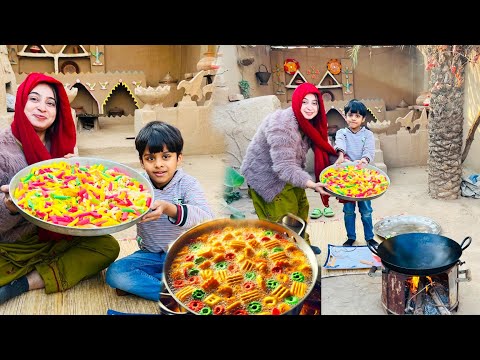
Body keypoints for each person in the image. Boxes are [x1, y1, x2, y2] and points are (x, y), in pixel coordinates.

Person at [0, 72, 120, 305]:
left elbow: (78, 208)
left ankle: (25, 283)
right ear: (21, 102)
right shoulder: (3, 150)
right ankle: (46, 269)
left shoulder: (62, 145)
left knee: (107, 247)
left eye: (50, 103)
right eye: (34, 99)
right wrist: (10, 208)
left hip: (59, 236)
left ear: (58, 111)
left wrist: (78, 178)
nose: (42, 108)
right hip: (15, 245)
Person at [105, 120, 215, 301]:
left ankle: (151, 285)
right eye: (150, 158)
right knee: (116, 274)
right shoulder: (136, 184)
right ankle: (176, 294)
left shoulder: (188, 184)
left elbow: (206, 218)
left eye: (166, 157)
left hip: (185, 254)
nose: (158, 164)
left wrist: (170, 209)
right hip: (150, 256)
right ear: (141, 161)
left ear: (179, 158)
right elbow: (108, 200)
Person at [240, 82, 337, 244]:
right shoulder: (281, 125)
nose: (310, 107)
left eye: (314, 103)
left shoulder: (309, 123)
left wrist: (341, 160)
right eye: (304, 102)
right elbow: (283, 166)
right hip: (268, 178)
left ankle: (303, 245)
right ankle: (288, 256)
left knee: (301, 209)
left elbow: (322, 145)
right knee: (283, 223)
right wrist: (312, 184)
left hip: (293, 172)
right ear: (296, 101)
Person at [333, 99, 378, 247]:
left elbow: (369, 151)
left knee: (366, 211)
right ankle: (351, 237)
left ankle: (370, 237)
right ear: (345, 116)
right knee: (348, 211)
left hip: (363, 177)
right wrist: (341, 156)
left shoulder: (368, 135)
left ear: (363, 119)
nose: (353, 118)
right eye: (351, 115)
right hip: (347, 178)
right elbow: (340, 145)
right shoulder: (342, 133)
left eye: (357, 116)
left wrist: (364, 160)